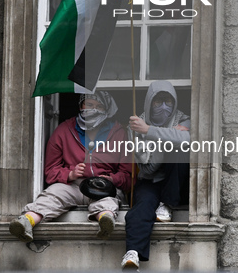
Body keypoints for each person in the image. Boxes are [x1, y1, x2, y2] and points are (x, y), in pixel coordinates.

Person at [10, 91, 132, 242]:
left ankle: (106, 222)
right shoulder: (64, 130)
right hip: (72, 185)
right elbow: (50, 170)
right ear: (81, 105)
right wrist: (70, 174)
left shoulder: (119, 133)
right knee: (52, 195)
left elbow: (128, 176)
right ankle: (26, 221)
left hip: (104, 187)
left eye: (99, 106)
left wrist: (112, 179)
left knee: (107, 202)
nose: (93, 109)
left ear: (106, 110)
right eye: (89, 104)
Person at [121, 80, 190, 270]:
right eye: (158, 102)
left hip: (176, 183)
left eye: (168, 101)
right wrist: (166, 136)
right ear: (149, 103)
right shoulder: (136, 126)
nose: (164, 107)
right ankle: (133, 252)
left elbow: (188, 140)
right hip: (150, 181)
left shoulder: (184, 119)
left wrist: (150, 132)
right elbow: (149, 167)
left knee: (180, 151)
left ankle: (168, 204)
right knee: (142, 206)